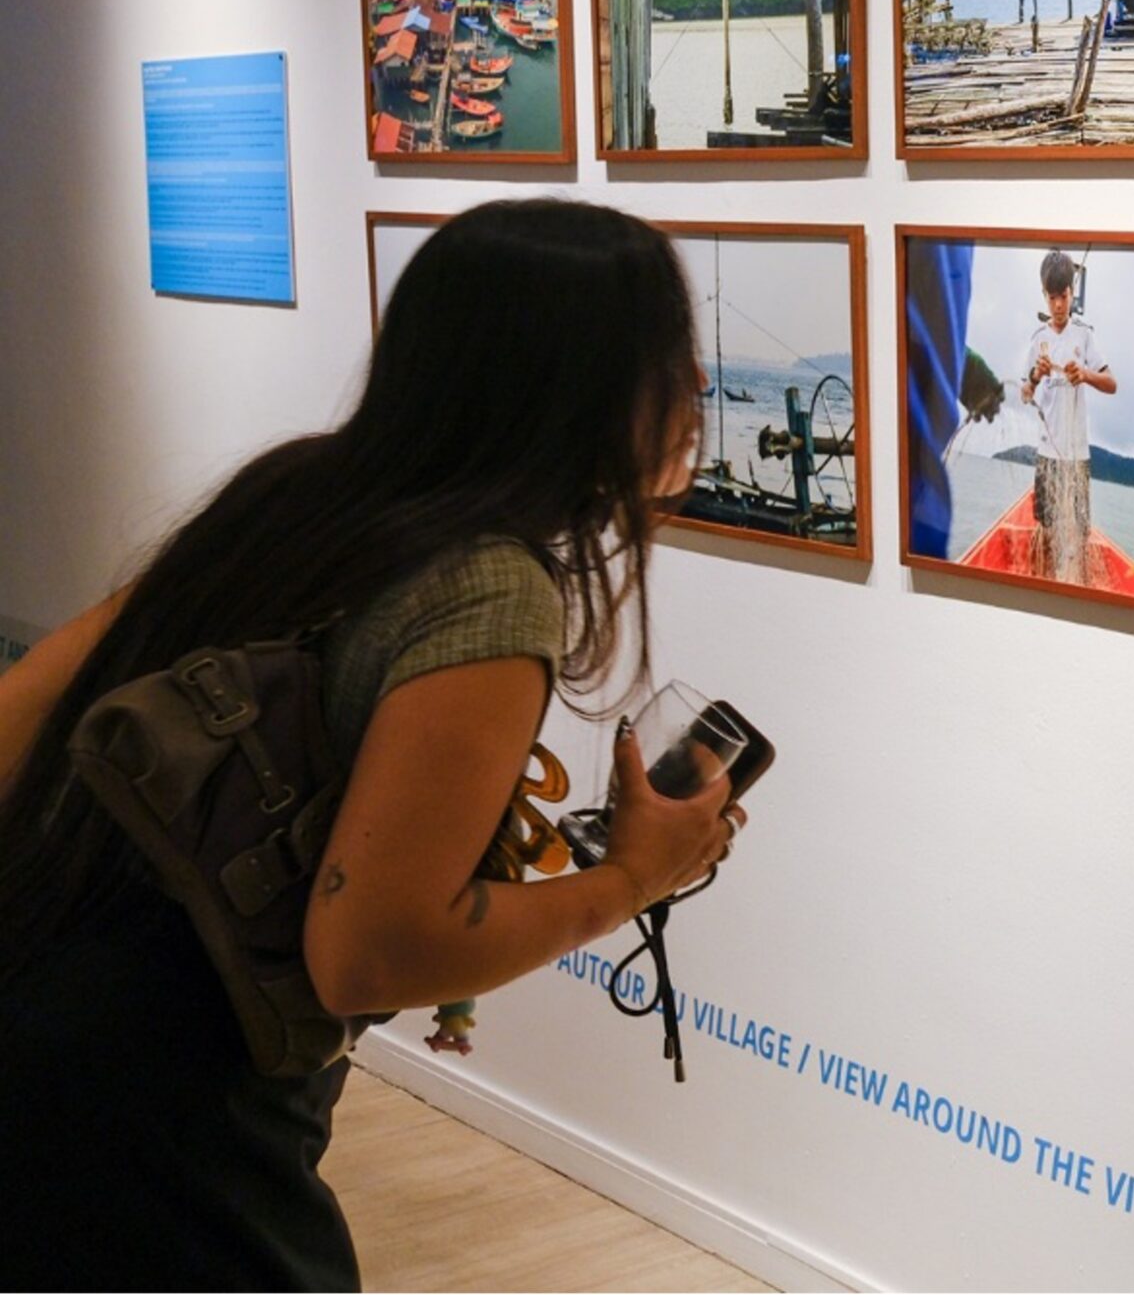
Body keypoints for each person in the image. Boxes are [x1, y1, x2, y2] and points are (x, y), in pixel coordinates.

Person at [0, 200, 746, 1288]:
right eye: (673, 360)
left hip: (42, 991)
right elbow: (372, 948)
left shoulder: (299, 488)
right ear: (587, 384)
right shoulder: (490, 585)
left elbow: (26, 703)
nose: (695, 392)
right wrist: (635, 874)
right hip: (158, 1089)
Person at [1023, 250, 1116, 583]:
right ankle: (1047, 586)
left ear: (1072, 293)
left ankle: (1077, 590)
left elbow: (1111, 383)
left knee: (1079, 532)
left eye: (1063, 296)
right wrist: (1035, 375)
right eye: (1052, 298)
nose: (1058, 305)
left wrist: (1086, 375)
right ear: (1045, 297)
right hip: (1047, 454)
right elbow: (1025, 393)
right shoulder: (1038, 339)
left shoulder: (1084, 334)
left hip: (1077, 456)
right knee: (1047, 531)